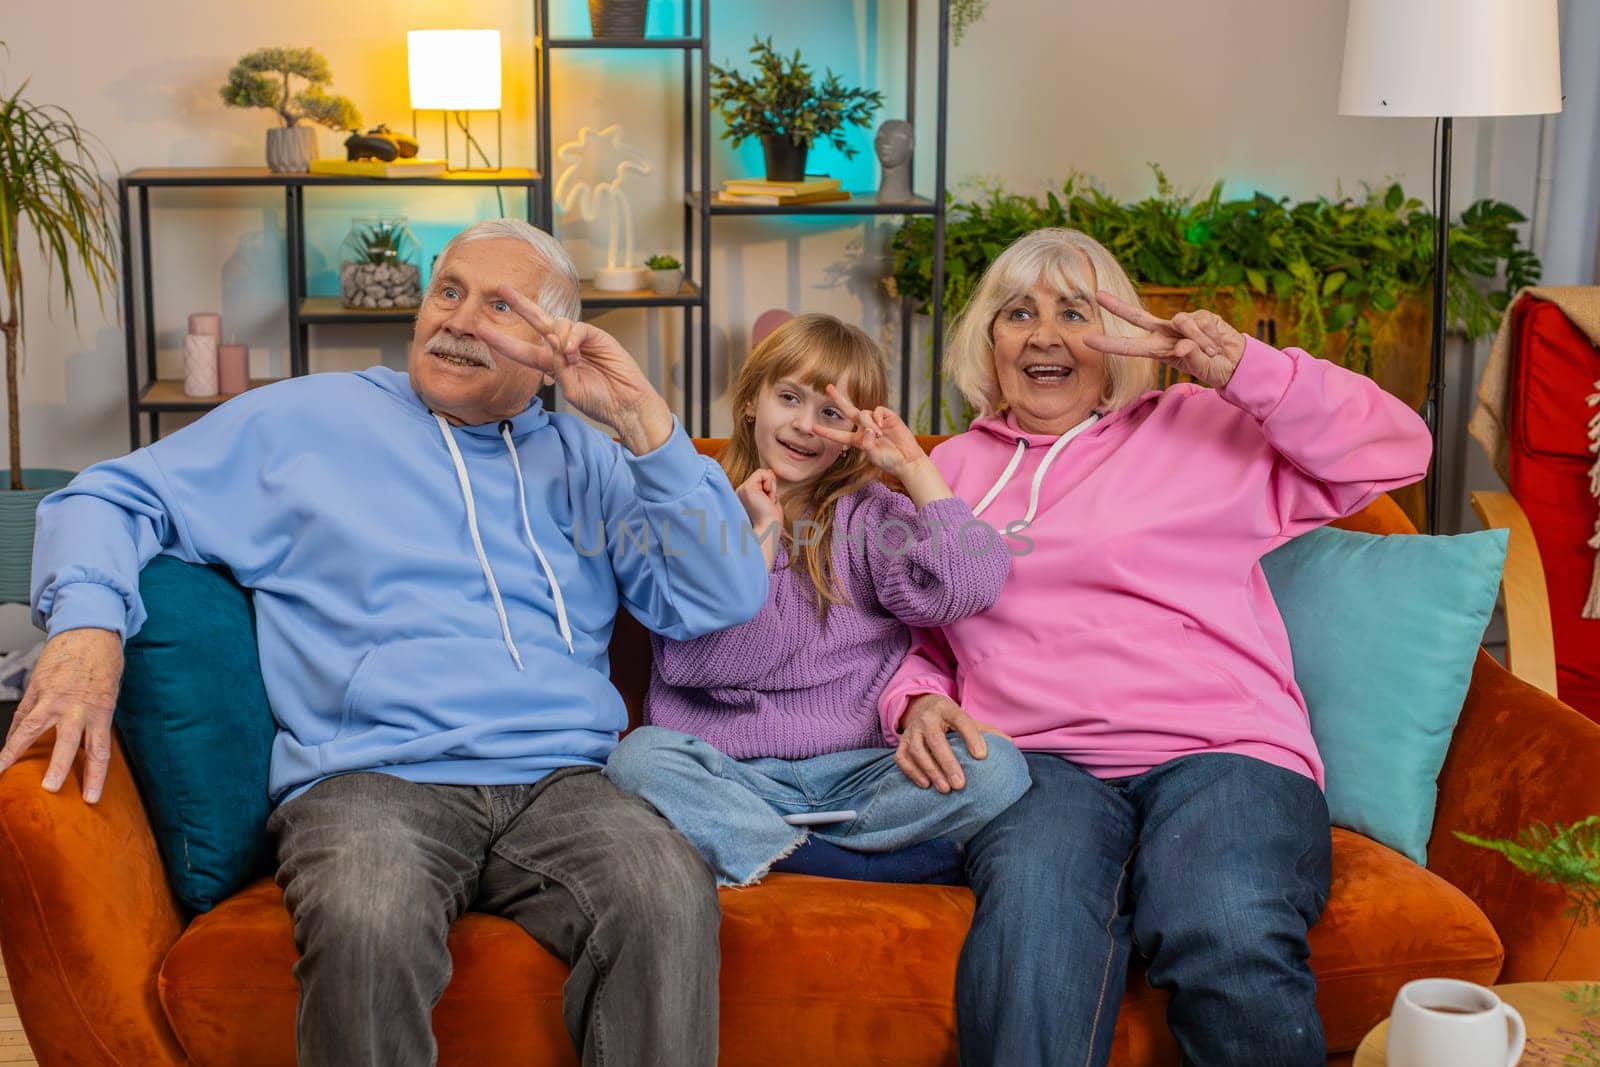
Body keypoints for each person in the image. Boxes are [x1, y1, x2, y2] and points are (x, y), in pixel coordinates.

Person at [0, 218, 769, 1067]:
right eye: (449, 291)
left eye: (501, 306)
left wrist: (645, 425)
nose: (460, 319)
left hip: (562, 782)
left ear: (554, 349)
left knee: (666, 892)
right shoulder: (305, 420)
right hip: (369, 777)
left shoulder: (589, 459)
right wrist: (87, 627)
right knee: (366, 914)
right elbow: (104, 497)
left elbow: (719, 595)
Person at [876, 228, 1432, 1066]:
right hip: (1039, 764)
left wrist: (1246, 370)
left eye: (1075, 311)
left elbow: (1399, 448)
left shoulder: (1202, 428)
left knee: (1224, 916)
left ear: (1116, 338)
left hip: (1225, 753)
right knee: (1032, 926)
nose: (1045, 335)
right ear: (989, 341)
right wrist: (915, 699)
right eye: (1017, 312)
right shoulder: (942, 469)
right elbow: (915, 633)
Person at [604, 314, 1029, 886]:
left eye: (831, 414)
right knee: (639, 759)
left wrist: (913, 466)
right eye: (789, 398)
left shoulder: (871, 514)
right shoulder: (695, 504)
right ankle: (842, 864)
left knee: (998, 768)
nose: (806, 426)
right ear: (753, 398)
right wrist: (758, 543)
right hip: (730, 774)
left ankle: (761, 847)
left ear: (855, 432)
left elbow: (968, 587)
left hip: (855, 773)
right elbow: (709, 662)